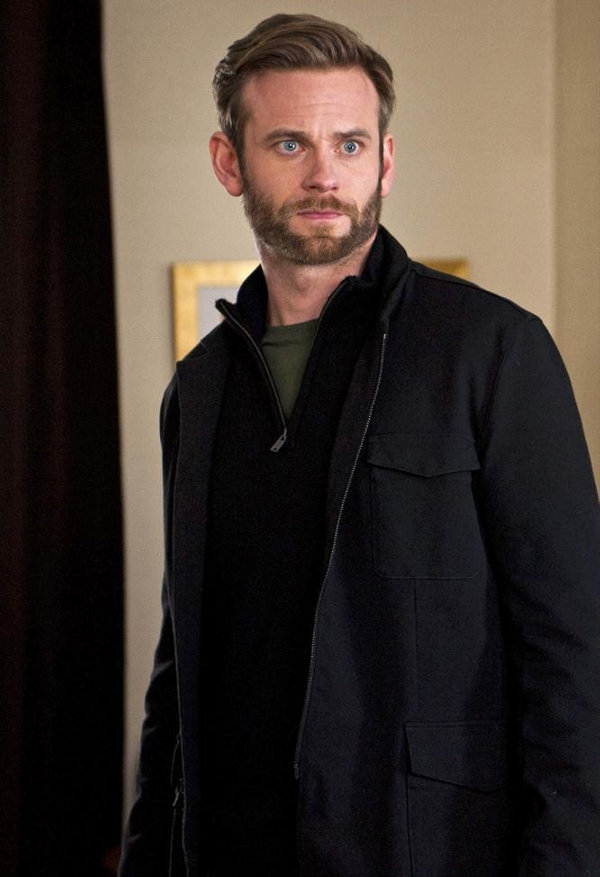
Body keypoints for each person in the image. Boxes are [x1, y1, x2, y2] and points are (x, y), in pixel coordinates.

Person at [119, 13, 600, 877]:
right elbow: (178, 667)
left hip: (425, 849)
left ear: (386, 160)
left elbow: (575, 655)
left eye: (349, 144)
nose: (324, 175)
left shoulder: (492, 351)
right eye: (289, 143)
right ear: (230, 163)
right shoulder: (198, 388)